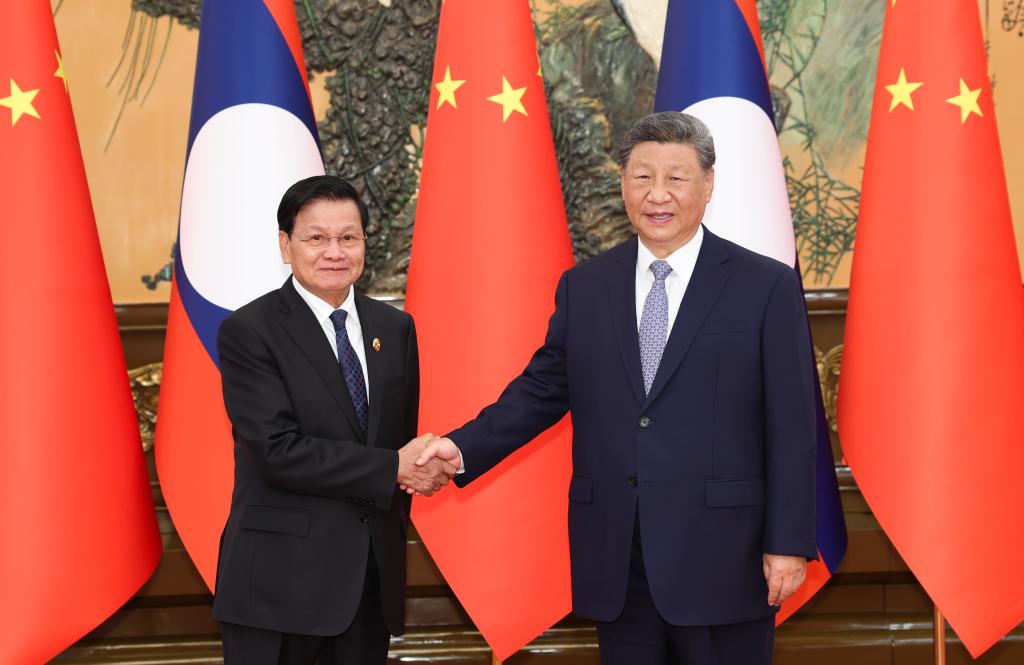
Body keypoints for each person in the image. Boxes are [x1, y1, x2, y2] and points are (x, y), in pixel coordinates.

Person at [416, 112, 816, 664]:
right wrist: (460, 449)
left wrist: (789, 541)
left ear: (708, 183)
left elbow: (793, 424)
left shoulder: (764, 285)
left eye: (676, 177)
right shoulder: (586, 287)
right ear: (622, 182)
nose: (658, 194)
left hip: (726, 554)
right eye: (641, 176)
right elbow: (541, 390)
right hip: (618, 556)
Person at [212, 175, 455, 665]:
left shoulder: (395, 328)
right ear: (286, 245)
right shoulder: (249, 331)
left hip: (367, 585)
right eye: (316, 238)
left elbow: (398, 441)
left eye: (348, 237)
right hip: (280, 589)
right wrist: (395, 469)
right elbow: (275, 451)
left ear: (365, 241)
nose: (334, 251)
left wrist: (421, 468)